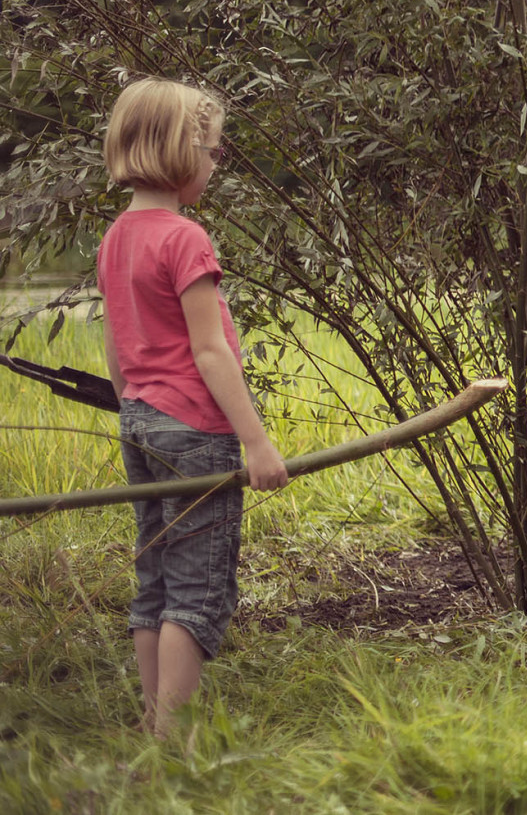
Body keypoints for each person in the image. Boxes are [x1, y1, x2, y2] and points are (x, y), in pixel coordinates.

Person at [97, 78, 291, 738]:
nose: (214, 164)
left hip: (141, 423)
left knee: (152, 577)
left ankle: (155, 723)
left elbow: (117, 350)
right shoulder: (185, 239)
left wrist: (137, 410)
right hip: (194, 431)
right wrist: (257, 443)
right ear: (181, 154)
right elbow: (211, 354)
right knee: (195, 587)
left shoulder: (116, 237)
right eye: (212, 151)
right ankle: (170, 742)